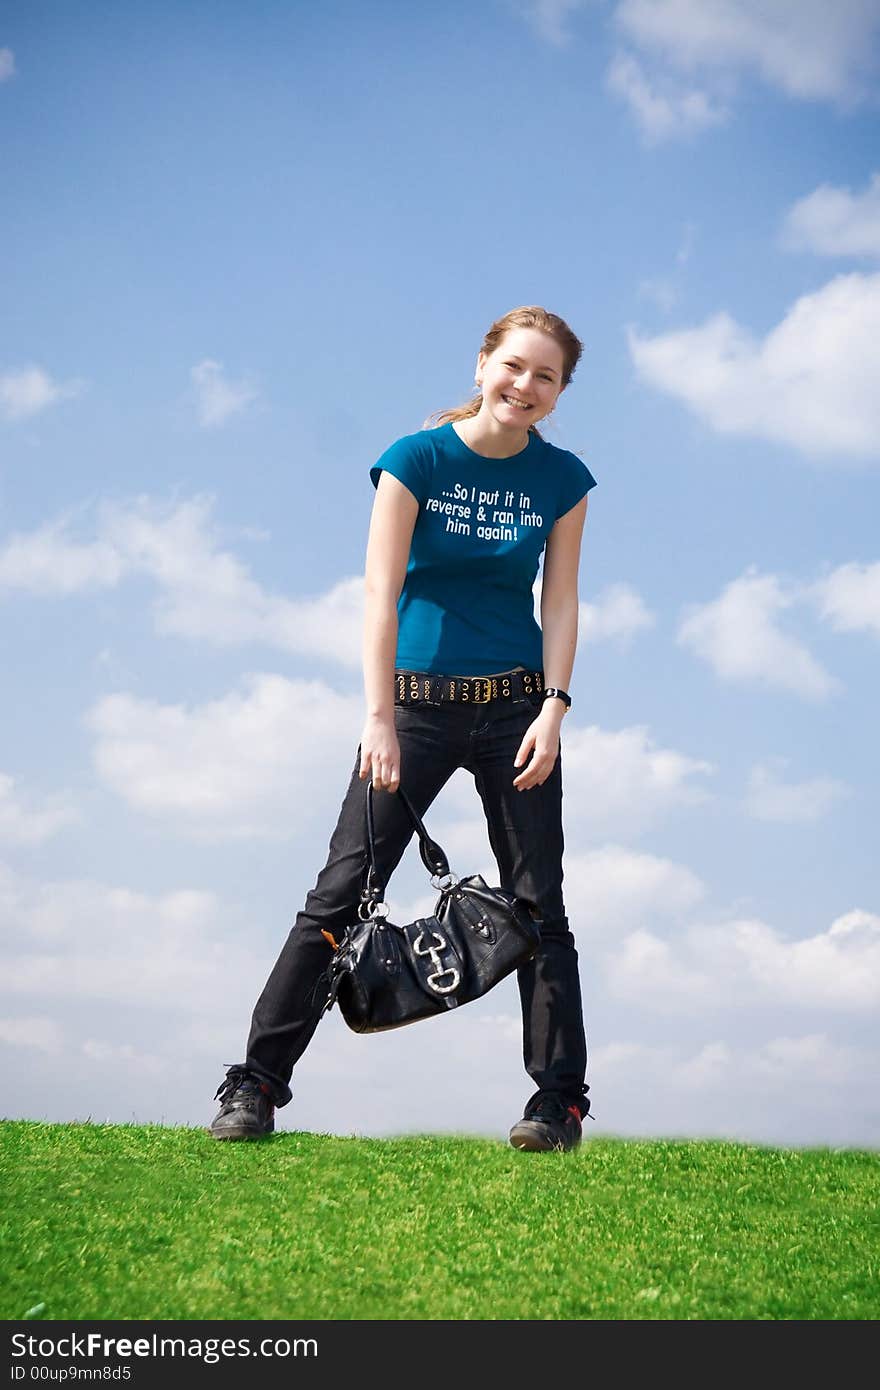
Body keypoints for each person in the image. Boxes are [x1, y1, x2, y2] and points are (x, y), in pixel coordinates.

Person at [209, 305, 597, 1152]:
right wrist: (378, 717)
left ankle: (557, 1105)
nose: (525, 386)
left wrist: (554, 707)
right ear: (484, 363)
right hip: (412, 709)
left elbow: (559, 599)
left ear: (561, 392)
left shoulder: (563, 479)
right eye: (515, 366)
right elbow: (379, 593)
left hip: (517, 710)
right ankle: (254, 1088)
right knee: (341, 895)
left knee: (541, 907)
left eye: (546, 377)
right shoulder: (414, 460)